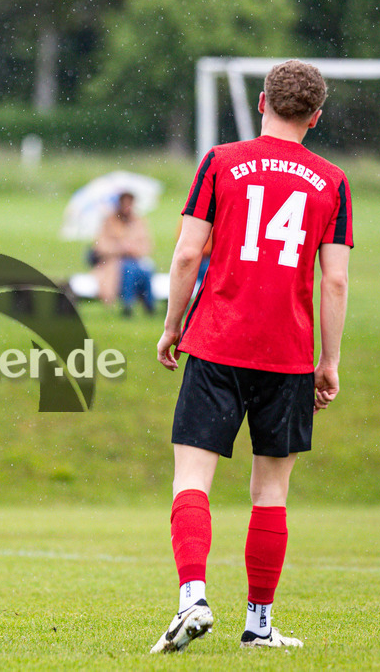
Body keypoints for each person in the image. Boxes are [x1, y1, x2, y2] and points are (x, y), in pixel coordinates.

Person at [152, 59, 352, 653]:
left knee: (192, 479)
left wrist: (172, 327)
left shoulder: (220, 162)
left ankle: (193, 597)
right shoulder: (333, 181)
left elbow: (189, 254)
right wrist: (330, 360)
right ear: (315, 117)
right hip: (288, 354)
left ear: (262, 100)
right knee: (271, 492)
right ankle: (259, 624)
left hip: (216, 342)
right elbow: (335, 281)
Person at [92, 191, 154, 315]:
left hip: (135, 259)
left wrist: (133, 249)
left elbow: (147, 245)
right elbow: (100, 246)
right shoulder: (109, 222)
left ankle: (149, 304)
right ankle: (128, 304)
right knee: (128, 270)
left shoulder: (138, 222)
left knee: (145, 271)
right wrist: (120, 248)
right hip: (114, 261)